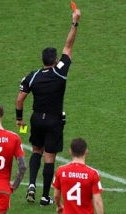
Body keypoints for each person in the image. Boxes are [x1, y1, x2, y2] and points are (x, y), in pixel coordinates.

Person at [15, 9, 81, 205]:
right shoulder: (60, 72)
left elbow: (19, 100)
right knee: (50, 157)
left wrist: (19, 119)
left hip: (36, 119)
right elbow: (68, 46)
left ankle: (31, 185)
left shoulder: (33, 75)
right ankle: (45, 196)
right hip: (54, 120)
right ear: (55, 61)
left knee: (36, 150)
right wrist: (75, 23)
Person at [53, 138, 104, 214]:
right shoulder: (92, 173)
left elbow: (56, 195)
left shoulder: (60, 171)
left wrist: (59, 206)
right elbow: (97, 202)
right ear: (86, 151)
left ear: (70, 151)